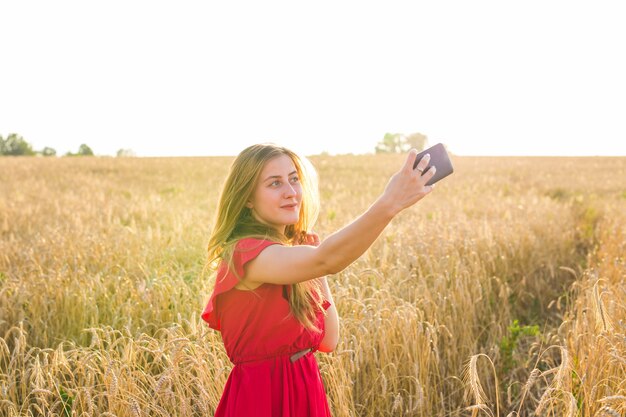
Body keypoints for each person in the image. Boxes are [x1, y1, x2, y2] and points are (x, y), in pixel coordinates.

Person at [201, 143, 436, 417]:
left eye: (294, 179)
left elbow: (328, 340)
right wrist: (390, 203)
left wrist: (316, 273)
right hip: (263, 399)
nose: (291, 193)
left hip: (305, 390)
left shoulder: (286, 258)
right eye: (274, 183)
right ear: (248, 198)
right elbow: (327, 259)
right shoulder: (245, 254)